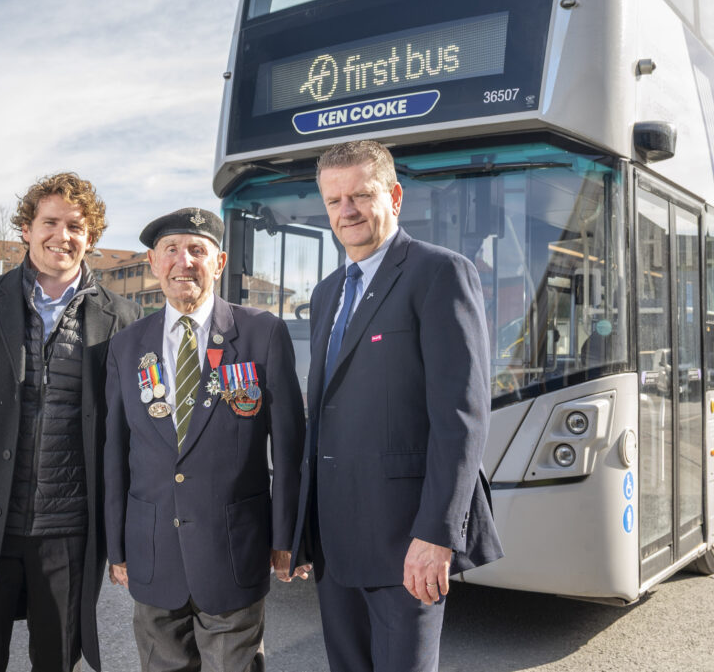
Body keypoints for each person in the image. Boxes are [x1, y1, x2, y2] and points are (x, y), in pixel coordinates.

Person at [0, 172, 143, 672]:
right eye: (50, 222)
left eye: (76, 226)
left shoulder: (121, 316)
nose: (63, 235)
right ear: (26, 229)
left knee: (56, 659)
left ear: (91, 236)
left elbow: (127, 418)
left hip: (68, 527)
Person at [288, 140, 503, 672]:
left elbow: (461, 417)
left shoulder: (439, 273)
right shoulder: (325, 293)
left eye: (361, 196)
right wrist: (299, 530)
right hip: (336, 541)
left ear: (395, 196)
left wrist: (436, 534)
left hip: (407, 542)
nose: (347, 211)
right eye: (334, 201)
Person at [103, 208, 305, 672]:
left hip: (235, 551)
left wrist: (286, 535)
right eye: (171, 250)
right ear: (153, 263)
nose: (184, 261)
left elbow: (290, 447)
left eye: (197, 250)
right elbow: (115, 452)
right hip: (152, 551)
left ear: (219, 261)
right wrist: (117, 547)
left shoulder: (261, 332)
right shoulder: (127, 346)